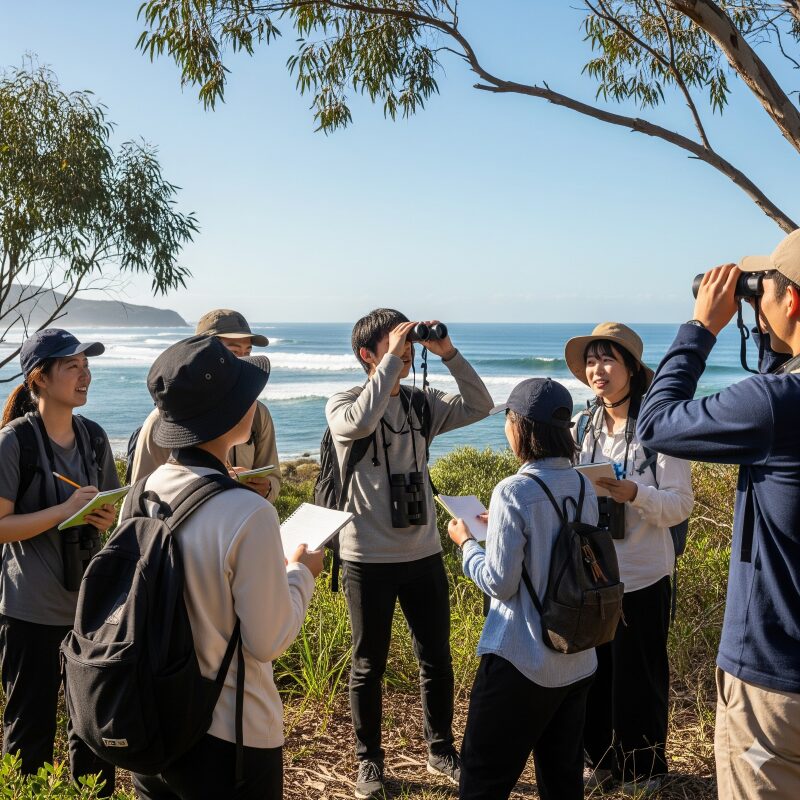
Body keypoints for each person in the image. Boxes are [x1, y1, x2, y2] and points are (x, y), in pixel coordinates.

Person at [636, 235, 800, 800]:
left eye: (763, 290)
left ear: (792, 302)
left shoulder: (777, 405)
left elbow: (656, 423)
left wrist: (702, 327)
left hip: (776, 682)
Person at [129, 334, 323, 800]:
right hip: (231, 736)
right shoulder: (247, 512)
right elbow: (268, 639)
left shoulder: (148, 490)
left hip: (152, 722)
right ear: (231, 413)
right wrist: (301, 572)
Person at [326, 309, 493, 799]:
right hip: (366, 557)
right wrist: (388, 371)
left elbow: (480, 405)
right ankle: (368, 762)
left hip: (423, 553)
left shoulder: (421, 406)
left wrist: (448, 354)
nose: (406, 352)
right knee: (367, 664)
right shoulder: (343, 401)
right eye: (395, 344)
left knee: (436, 658)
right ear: (366, 355)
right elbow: (357, 424)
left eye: (408, 344)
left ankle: (441, 749)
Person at [447, 377, 598, 800]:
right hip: (577, 659)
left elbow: (500, 581)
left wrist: (467, 545)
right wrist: (500, 533)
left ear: (522, 427)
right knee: (562, 780)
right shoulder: (584, 484)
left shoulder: (513, 490)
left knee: (483, 778)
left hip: (522, 658)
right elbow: (560, 547)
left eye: (508, 420)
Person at [564, 323, 693, 793]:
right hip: (595, 572)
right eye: (592, 361)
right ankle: (599, 761)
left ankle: (644, 768)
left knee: (640, 678)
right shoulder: (585, 424)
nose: (598, 370)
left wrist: (635, 492)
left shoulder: (659, 424)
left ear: (632, 368)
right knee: (594, 674)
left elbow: (680, 503)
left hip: (643, 573)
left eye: (608, 360)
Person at [0, 329, 118, 794]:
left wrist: (102, 517)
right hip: (28, 612)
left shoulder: (93, 438)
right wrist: (63, 512)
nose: (85, 373)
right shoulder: (15, 443)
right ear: (39, 378)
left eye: (86, 365)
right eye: (73, 366)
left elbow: (109, 514)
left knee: (92, 739)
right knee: (28, 739)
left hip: (88, 613)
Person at [130, 309, 281, 500]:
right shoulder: (165, 422)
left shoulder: (257, 413)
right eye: (234, 352)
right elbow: (139, 496)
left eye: (248, 352)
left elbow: (273, 476)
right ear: (203, 353)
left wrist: (266, 489)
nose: (245, 361)